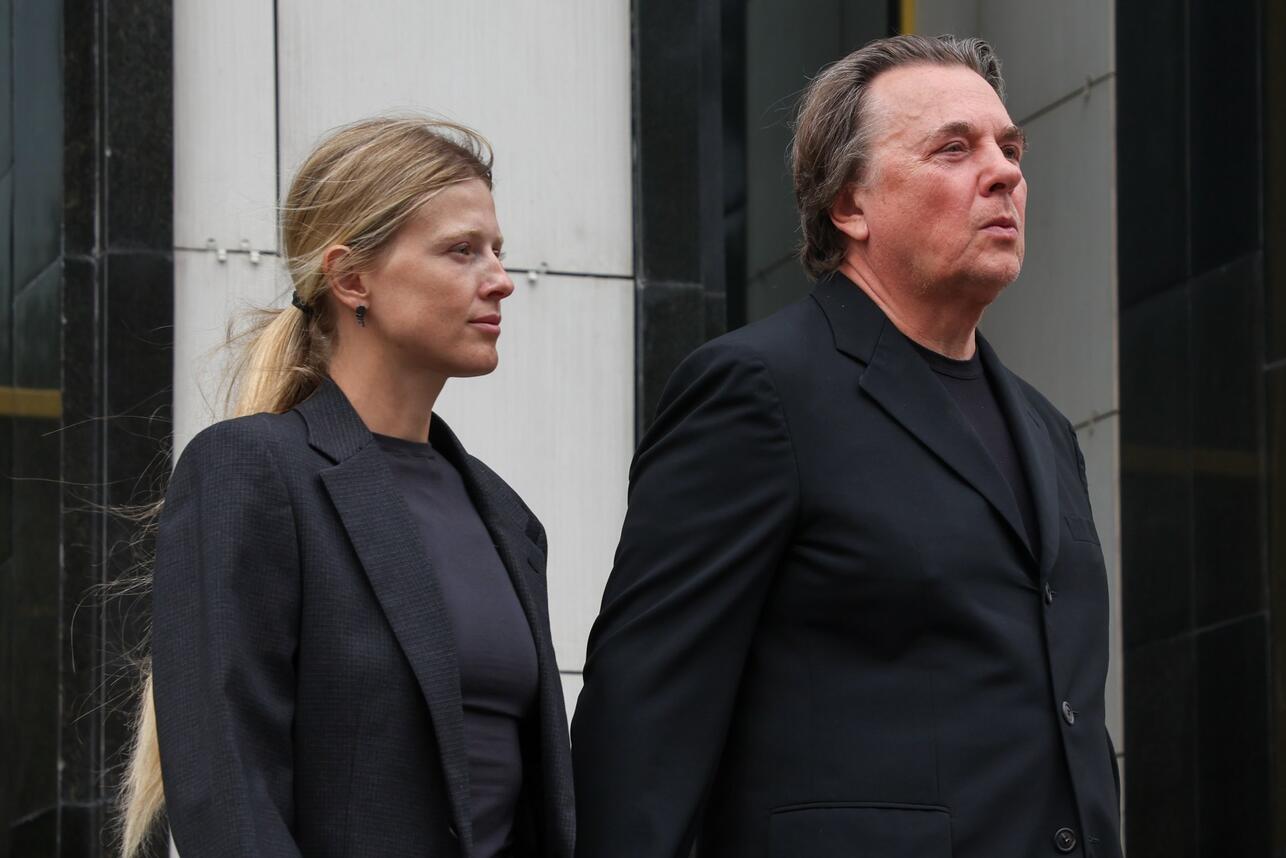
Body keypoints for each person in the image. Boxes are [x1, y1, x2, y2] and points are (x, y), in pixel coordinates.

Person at [572, 35, 1121, 858]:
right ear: (848, 205)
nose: (1003, 173)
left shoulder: (1047, 429)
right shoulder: (758, 391)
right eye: (954, 149)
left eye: (1010, 149)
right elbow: (643, 716)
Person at [118, 117, 574, 858]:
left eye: (497, 250)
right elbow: (229, 790)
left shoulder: (506, 517)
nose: (500, 279)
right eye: (462, 250)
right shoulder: (253, 473)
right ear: (352, 278)